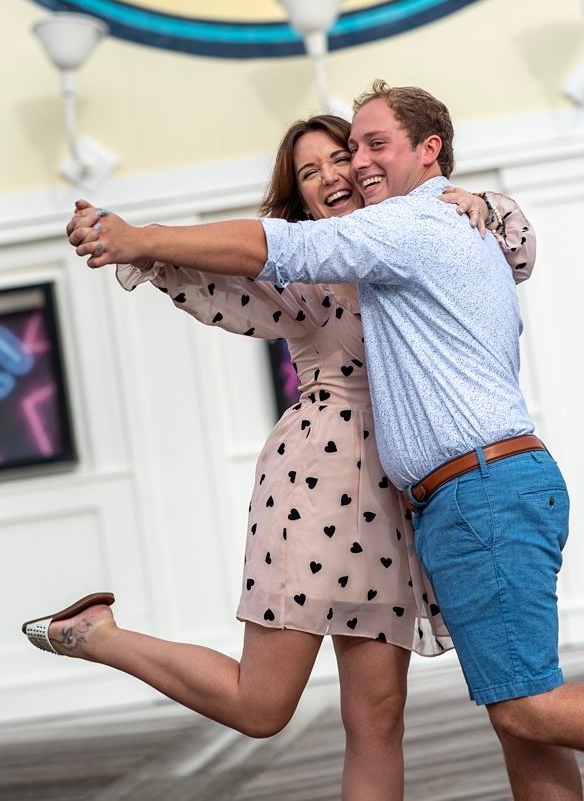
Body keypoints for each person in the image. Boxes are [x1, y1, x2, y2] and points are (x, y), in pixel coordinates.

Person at [60, 81, 584, 798]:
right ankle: (98, 634)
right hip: (328, 479)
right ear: (300, 200)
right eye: (310, 173)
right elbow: (241, 259)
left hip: (424, 495)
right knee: (268, 703)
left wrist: (482, 201)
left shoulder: (413, 227)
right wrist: (137, 241)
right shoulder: (311, 264)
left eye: (348, 153)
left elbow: (516, 243)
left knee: (394, 714)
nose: (336, 173)